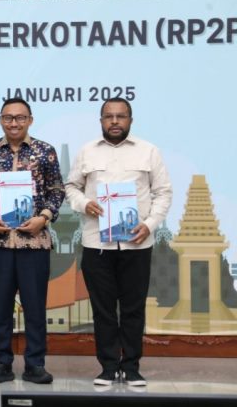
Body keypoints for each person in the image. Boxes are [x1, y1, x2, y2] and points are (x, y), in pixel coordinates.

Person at [65, 97, 172, 387]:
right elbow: (71, 187)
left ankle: (132, 367)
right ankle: (108, 367)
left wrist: (149, 225)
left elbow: (163, 192)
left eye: (120, 116)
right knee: (103, 310)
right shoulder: (87, 151)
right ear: (101, 121)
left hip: (137, 243)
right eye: (108, 116)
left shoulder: (149, 151)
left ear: (130, 120)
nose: (114, 121)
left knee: (133, 308)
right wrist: (84, 203)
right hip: (96, 244)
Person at [0, 97, 65, 384]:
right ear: (1, 120)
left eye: (20, 117)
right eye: (8, 117)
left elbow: (57, 191)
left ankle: (35, 364)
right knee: (0, 306)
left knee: (35, 306)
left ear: (30, 120)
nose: (14, 123)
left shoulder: (45, 151)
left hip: (34, 241)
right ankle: (1, 363)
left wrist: (44, 217)